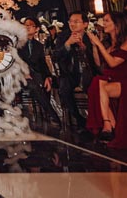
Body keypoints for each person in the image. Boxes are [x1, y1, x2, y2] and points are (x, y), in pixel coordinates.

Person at [85, 12, 127, 148]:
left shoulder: (126, 42)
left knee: (98, 82)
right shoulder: (109, 44)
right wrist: (94, 45)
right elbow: (99, 64)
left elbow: (114, 63)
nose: (104, 24)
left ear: (117, 24)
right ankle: (109, 123)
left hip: (123, 80)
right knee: (98, 81)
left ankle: (108, 124)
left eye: (107, 21)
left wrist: (99, 44)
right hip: (109, 79)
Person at [54, 11, 101, 128]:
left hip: (89, 72)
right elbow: (55, 56)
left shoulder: (91, 37)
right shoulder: (63, 36)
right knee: (64, 90)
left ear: (85, 24)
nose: (72, 24)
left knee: (94, 87)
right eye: (70, 21)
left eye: (76, 22)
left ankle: (96, 120)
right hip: (69, 73)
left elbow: (97, 61)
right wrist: (68, 44)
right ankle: (79, 120)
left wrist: (83, 47)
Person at [19, 18, 60, 126]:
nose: (27, 27)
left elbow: (42, 64)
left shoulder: (38, 45)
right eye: (25, 25)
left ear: (36, 28)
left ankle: (46, 115)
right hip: (20, 76)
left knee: (47, 84)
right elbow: (14, 61)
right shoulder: (17, 43)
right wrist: (24, 73)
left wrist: (48, 77)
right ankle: (52, 115)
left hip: (36, 75)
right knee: (34, 86)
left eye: (30, 25)